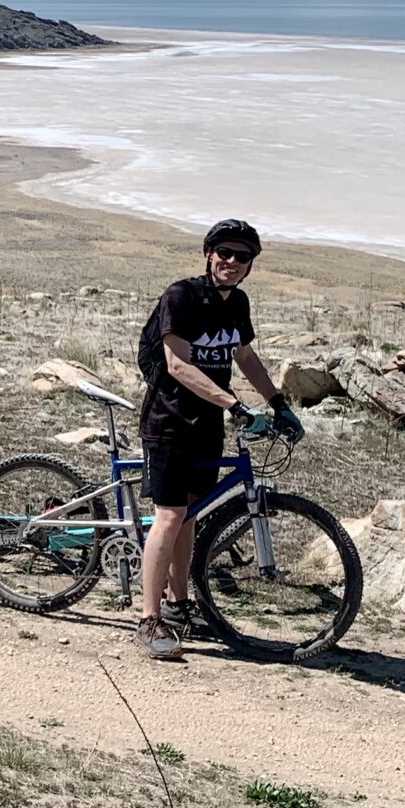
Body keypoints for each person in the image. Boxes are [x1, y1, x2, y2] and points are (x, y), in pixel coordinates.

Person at [133, 219, 304, 661]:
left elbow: (244, 355)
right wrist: (236, 406)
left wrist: (278, 402)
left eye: (241, 256)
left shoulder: (237, 302)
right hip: (169, 420)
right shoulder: (181, 296)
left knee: (191, 514)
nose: (231, 262)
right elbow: (177, 366)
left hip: (206, 424)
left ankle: (178, 604)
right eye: (224, 253)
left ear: (250, 265)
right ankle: (148, 618)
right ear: (208, 254)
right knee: (169, 517)